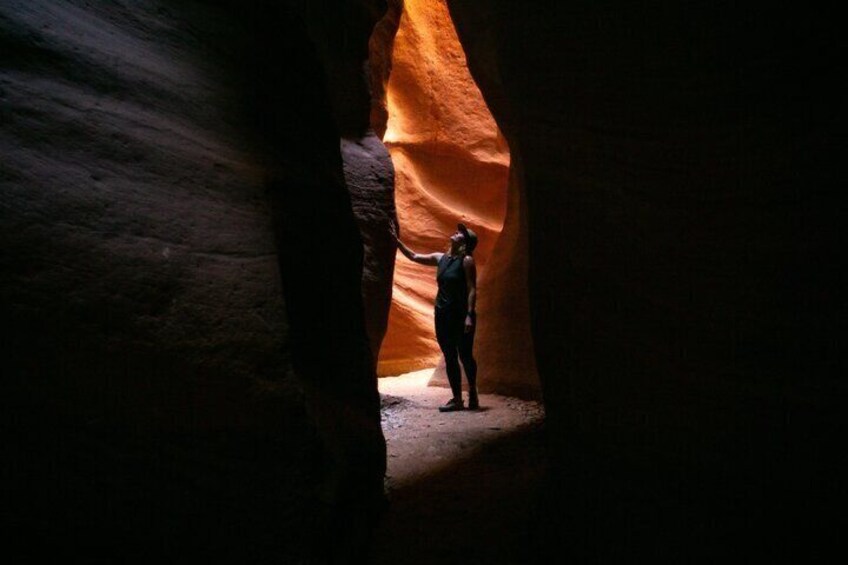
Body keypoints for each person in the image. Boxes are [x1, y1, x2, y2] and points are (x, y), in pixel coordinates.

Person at [391, 221, 479, 412]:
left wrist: (469, 315)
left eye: (460, 234)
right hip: (443, 315)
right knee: (449, 355)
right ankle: (457, 398)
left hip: (461, 315)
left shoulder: (467, 261)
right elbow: (414, 256)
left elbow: (472, 289)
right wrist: (396, 242)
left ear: (465, 243)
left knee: (465, 355)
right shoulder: (441, 258)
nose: (456, 233)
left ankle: (472, 391)